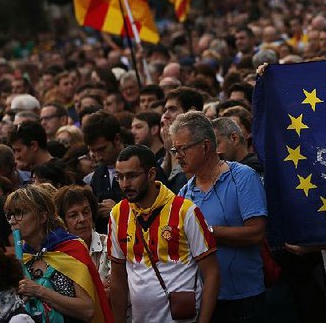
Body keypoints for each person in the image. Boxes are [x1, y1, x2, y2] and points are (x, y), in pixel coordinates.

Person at [108, 145, 220, 323]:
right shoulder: (117, 214)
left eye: (131, 176)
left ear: (151, 174)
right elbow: (118, 279)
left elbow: (212, 273)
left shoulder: (186, 211)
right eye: (119, 177)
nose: (124, 184)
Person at [174, 112, 268, 322]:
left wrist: (206, 232)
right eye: (175, 150)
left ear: (206, 146)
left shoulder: (243, 177)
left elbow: (256, 233)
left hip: (245, 299)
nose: (178, 156)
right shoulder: (184, 194)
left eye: (183, 149)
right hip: (205, 300)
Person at [4, 184, 112, 322]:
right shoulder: (21, 259)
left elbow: (88, 310)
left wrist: (38, 291)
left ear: (42, 217)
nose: (13, 221)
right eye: (10, 215)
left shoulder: (71, 249)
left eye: (19, 213)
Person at [54, 185, 110, 283]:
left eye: (86, 212)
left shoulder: (109, 244)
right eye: (73, 215)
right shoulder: (56, 253)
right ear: (62, 221)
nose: (82, 219)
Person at [82, 110, 125, 234]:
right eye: (92, 151)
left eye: (102, 149)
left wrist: (118, 209)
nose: (98, 156)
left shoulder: (141, 164)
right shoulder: (98, 174)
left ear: (117, 139)